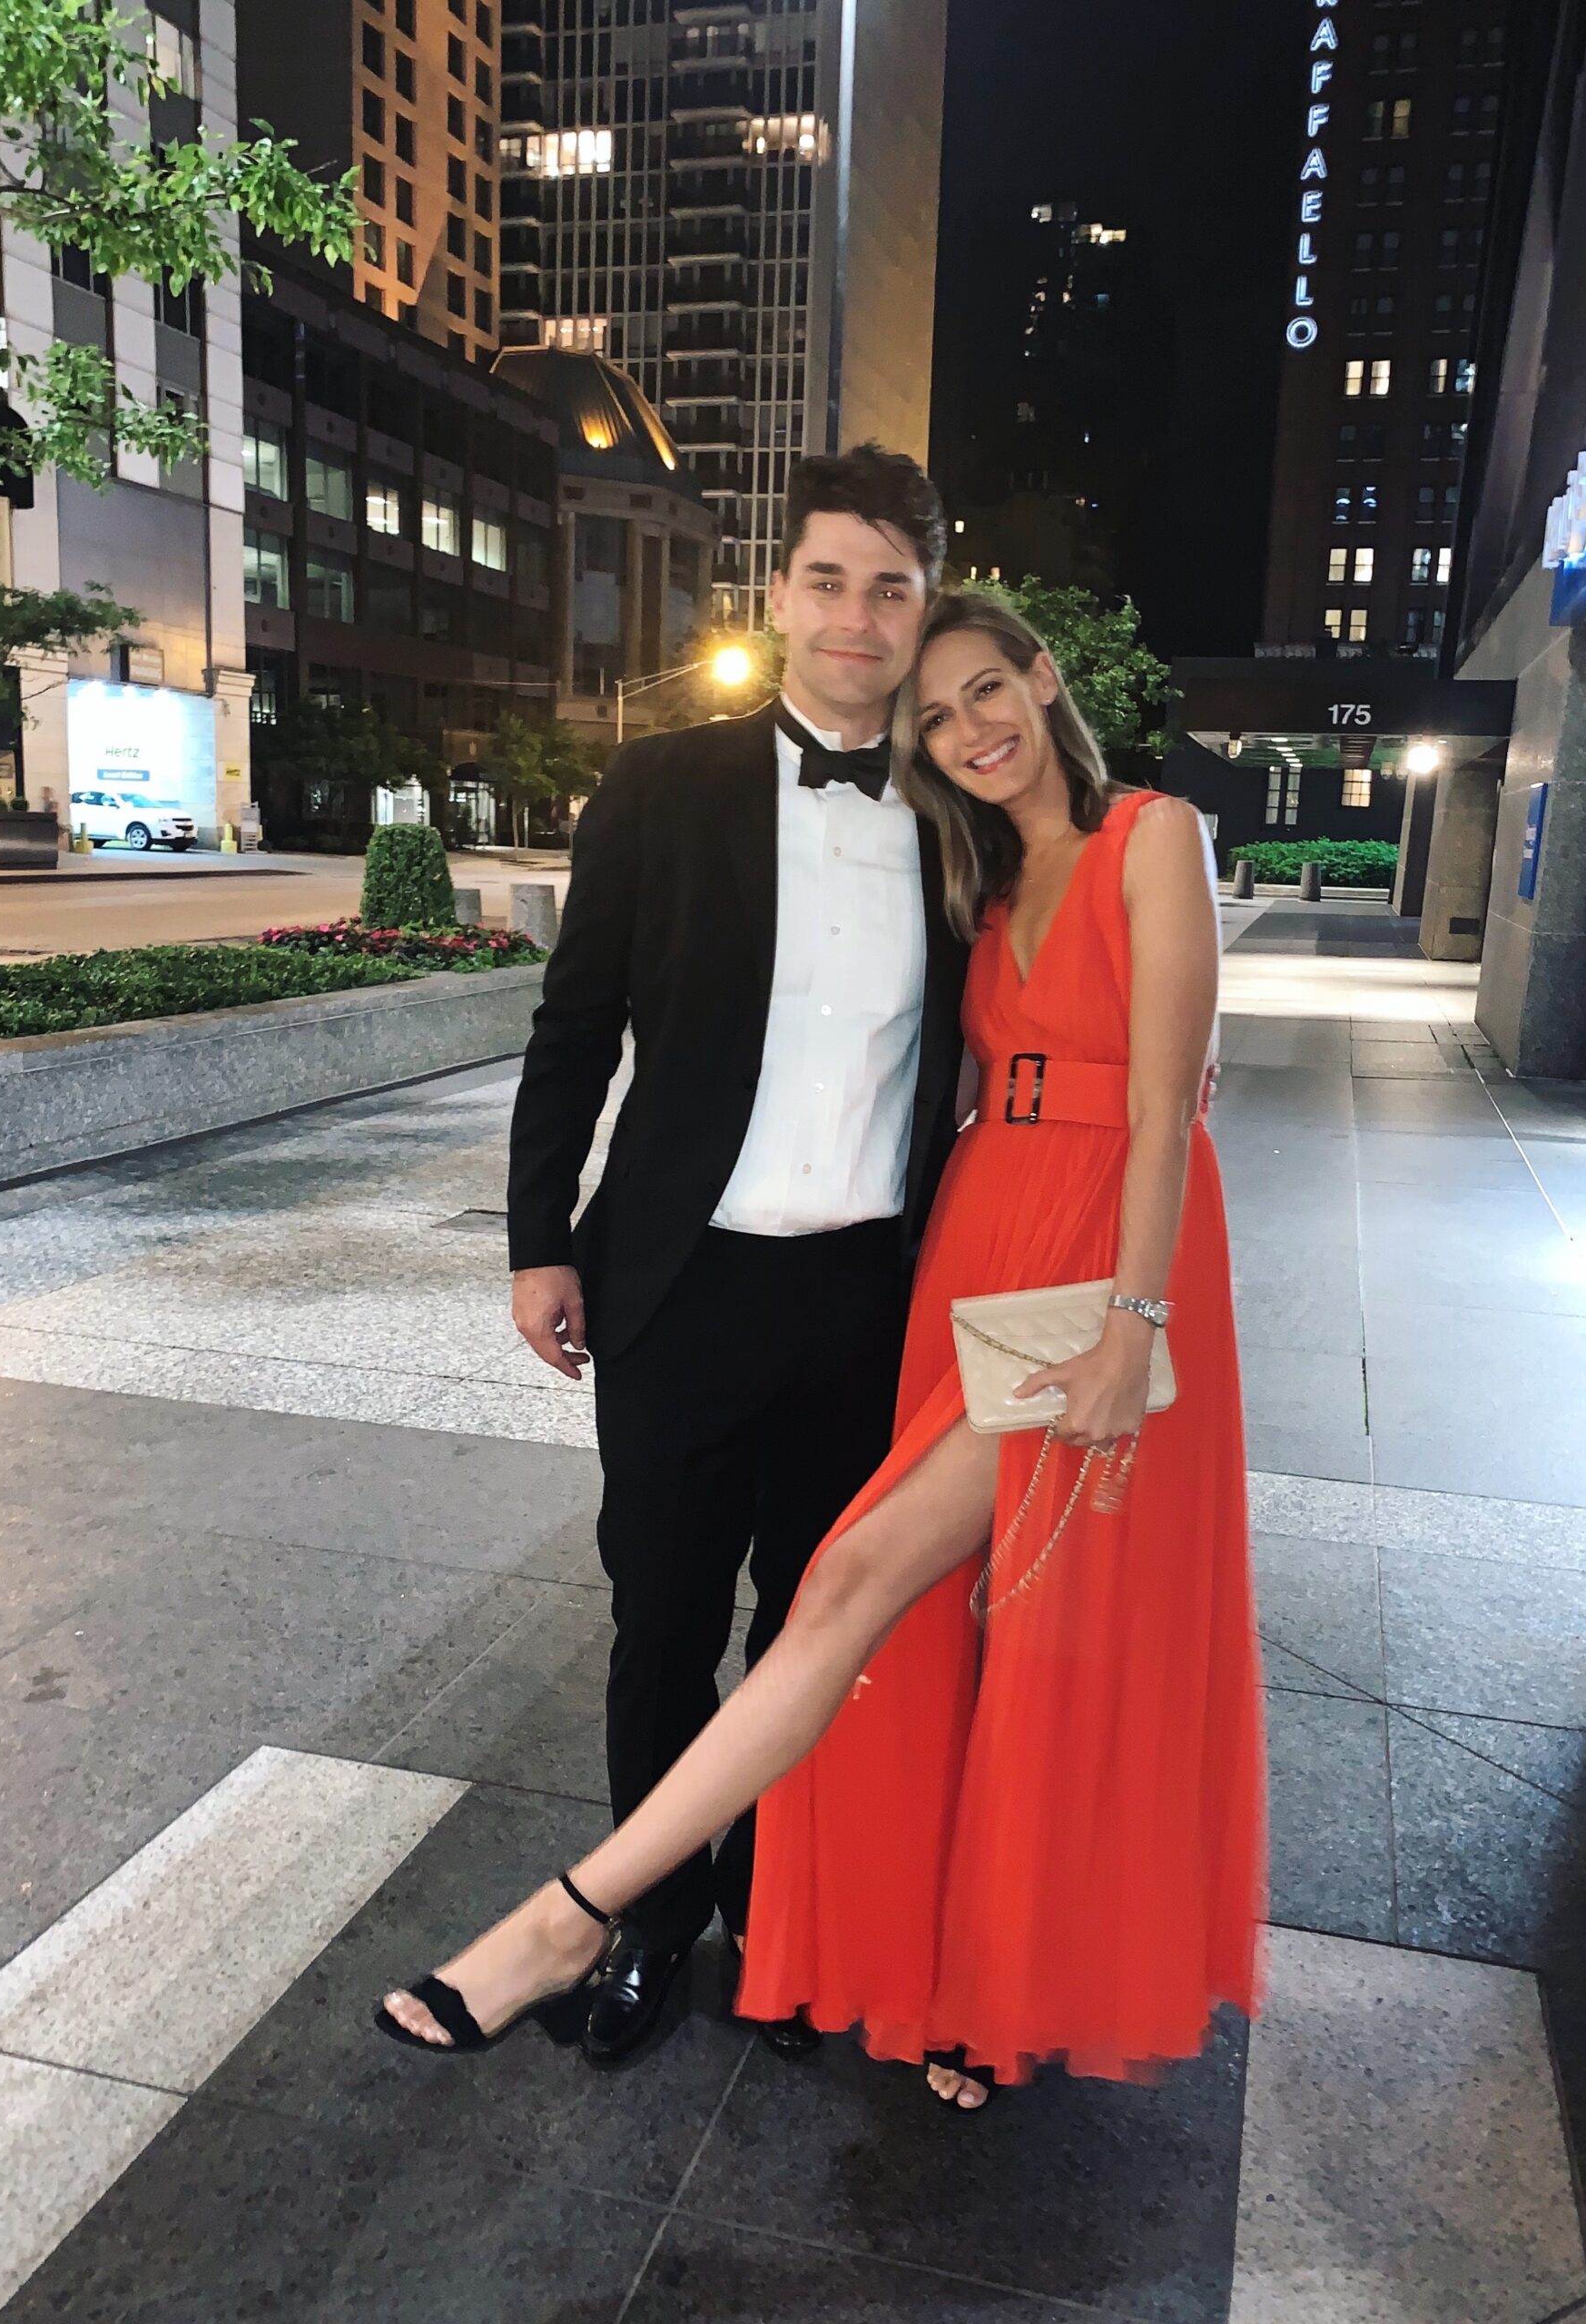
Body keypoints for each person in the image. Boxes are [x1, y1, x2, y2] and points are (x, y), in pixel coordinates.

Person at [379, 590, 1266, 2108]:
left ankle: (562, 1917)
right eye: (938, 717)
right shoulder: (976, 873)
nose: (972, 730)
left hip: (1096, 1264)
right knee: (943, 1632)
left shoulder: (1153, 836)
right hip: (965, 1252)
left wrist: (1134, 1321)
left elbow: (1170, 1102)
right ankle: (947, 1979)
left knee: (876, 1596)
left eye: (990, 691)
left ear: (1046, 684)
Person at [477, 444, 970, 2065]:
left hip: (865, 1300)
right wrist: (538, 1241)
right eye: (828, 579)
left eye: (889, 587)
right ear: (781, 593)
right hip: (678, 1289)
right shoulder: (662, 788)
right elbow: (572, 1031)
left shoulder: (969, 822)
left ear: (922, 609)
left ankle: (783, 1916)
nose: (855, 614)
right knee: (664, 1617)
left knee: (818, 1625)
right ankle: (647, 1919)